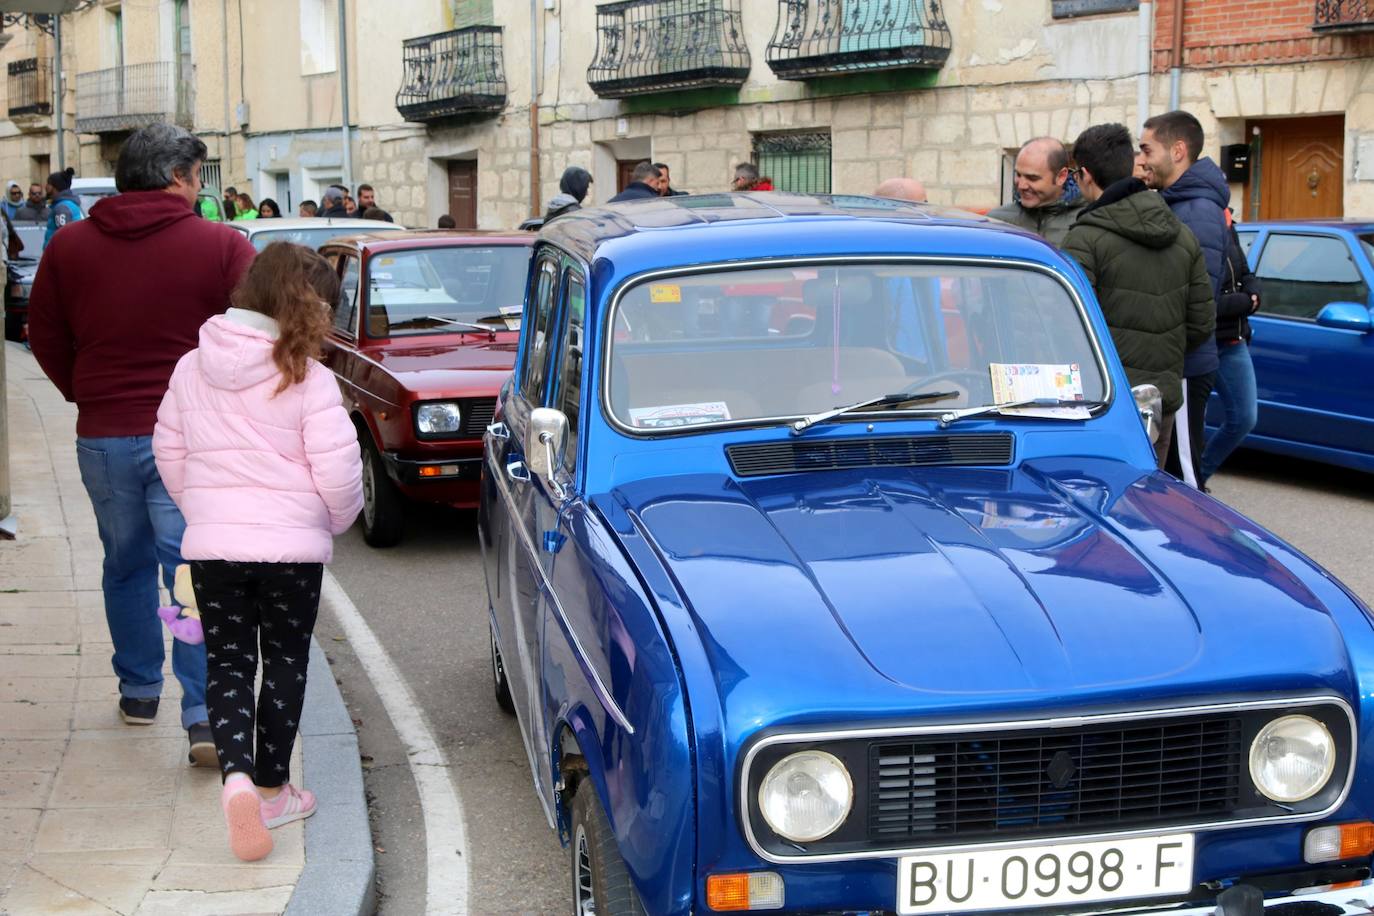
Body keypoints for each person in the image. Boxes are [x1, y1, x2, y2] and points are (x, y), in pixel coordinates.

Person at [27, 123, 257, 765]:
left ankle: (138, 692)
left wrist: (86, 392)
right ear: (179, 176)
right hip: (192, 438)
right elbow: (260, 333)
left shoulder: (69, 248)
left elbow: (41, 331)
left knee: (122, 564)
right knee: (190, 572)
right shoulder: (221, 245)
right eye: (196, 177)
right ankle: (204, 716)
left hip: (104, 436)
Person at [152, 241, 362, 862]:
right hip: (290, 550)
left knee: (229, 663)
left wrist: (206, 511)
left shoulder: (192, 366)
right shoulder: (309, 375)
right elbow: (340, 471)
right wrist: (334, 520)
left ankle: (236, 778)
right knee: (286, 662)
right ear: (306, 304)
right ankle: (273, 791)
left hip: (216, 545)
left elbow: (169, 450)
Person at [1061, 123, 1214, 467]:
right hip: (1158, 405)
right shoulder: (1183, 234)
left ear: (1085, 175)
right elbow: (1202, 323)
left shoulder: (1084, 239)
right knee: (1145, 504)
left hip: (1102, 403)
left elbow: (1065, 328)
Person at [1138, 110, 1229, 489]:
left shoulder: (1197, 210)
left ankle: (1196, 545)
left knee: (1186, 480)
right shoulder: (1178, 202)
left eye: (1147, 149)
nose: (1142, 159)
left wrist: (1169, 350)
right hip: (1176, 364)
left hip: (1186, 367)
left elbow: (1200, 299)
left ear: (1177, 151)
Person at [1200, 216, 1261, 483]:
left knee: (1245, 418)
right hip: (1203, 344)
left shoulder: (1228, 224)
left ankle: (1199, 476)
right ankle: (1187, 483)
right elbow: (1200, 303)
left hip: (1234, 342)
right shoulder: (1194, 223)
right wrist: (1244, 302)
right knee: (1192, 427)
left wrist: (1254, 290)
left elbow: (1246, 274)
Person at [988, 137, 1084, 247]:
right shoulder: (996, 222)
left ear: (1061, 176)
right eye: (1018, 175)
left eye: (1032, 178)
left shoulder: (1085, 222)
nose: (1021, 185)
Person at [45, 167, 83, 245]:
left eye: (48, 183)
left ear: (54, 186)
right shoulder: (65, 204)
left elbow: (63, 237)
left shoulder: (61, 208)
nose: (46, 186)